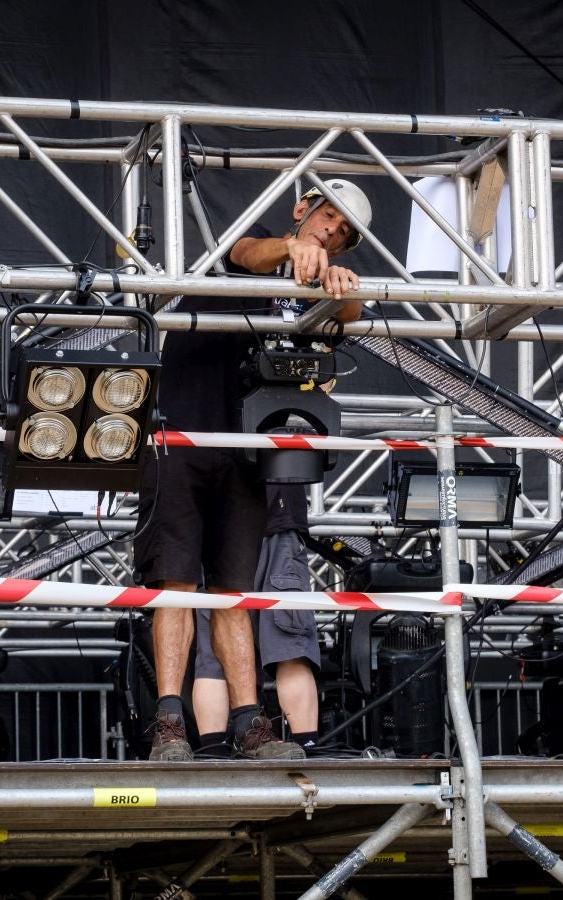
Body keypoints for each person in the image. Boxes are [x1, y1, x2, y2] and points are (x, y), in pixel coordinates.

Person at [133, 179, 371, 761]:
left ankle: (248, 724)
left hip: (248, 450)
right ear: (302, 209)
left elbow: (353, 314)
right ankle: (169, 724)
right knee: (178, 585)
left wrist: (342, 290)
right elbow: (244, 252)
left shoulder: (307, 292)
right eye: (328, 218)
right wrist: (292, 250)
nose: (331, 233)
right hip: (181, 436)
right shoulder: (259, 248)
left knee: (236, 592)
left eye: (343, 235)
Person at [192, 483, 322, 756]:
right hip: (274, 517)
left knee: (212, 657)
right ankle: (308, 750)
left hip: (214, 526)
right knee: (291, 648)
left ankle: (213, 755)